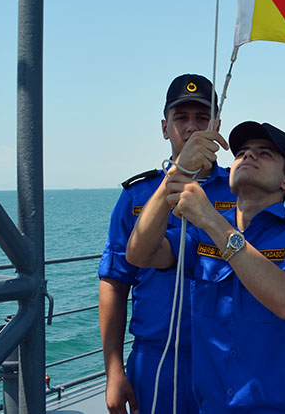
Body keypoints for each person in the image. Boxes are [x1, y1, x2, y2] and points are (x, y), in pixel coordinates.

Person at [126, 120, 285, 414]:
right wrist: (174, 176)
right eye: (242, 152)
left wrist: (211, 220)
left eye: (265, 153)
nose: (249, 156)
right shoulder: (203, 235)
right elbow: (140, 254)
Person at [98, 74, 234, 414]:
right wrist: (113, 371)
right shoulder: (136, 196)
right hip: (157, 358)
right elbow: (114, 282)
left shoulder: (241, 191)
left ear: (216, 125)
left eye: (202, 118)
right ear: (164, 127)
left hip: (225, 354)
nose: (191, 128)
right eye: (181, 118)